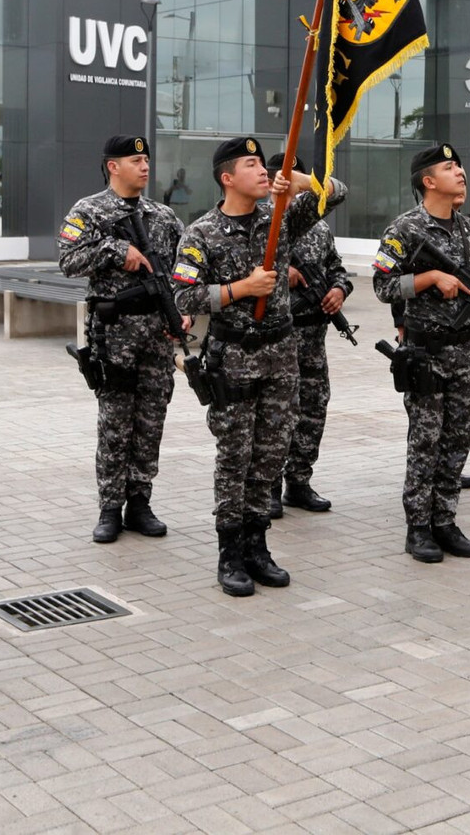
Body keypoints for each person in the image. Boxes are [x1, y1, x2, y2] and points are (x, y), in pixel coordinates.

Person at [171, 137, 345, 596]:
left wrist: (302, 182)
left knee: (270, 452)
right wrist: (240, 289)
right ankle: (230, 553)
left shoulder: (280, 218)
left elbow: (338, 192)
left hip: (281, 354)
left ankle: (258, 547)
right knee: (235, 457)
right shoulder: (201, 232)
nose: (262, 170)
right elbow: (185, 297)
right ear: (227, 178)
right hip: (234, 358)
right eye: (252, 164)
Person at [371, 143, 470, 560]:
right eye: (449, 167)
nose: (460, 172)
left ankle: (445, 520)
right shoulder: (404, 230)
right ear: (428, 181)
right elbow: (381, 286)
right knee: (425, 442)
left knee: (459, 438)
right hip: (426, 355)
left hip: (466, 354)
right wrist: (428, 277)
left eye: (460, 166)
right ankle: (418, 528)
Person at [58, 134, 186, 544]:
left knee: (151, 420)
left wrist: (181, 311)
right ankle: (110, 507)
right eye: (135, 160)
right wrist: (116, 249)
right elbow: (68, 260)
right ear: (113, 166)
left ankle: (140, 502)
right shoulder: (89, 211)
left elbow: (182, 272)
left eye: (147, 159)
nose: (145, 166)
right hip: (114, 336)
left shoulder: (164, 216)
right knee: (115, 422)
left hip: (157, 336)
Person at [272, 152, 349, 516]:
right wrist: (277, 270)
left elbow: (338, 268)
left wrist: (340, 290)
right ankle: (268, 486)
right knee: (276, 413)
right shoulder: (261, 222)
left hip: (313, 338)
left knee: (313, 408)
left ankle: (298, 481)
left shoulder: (317, 228)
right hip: (276, 337)